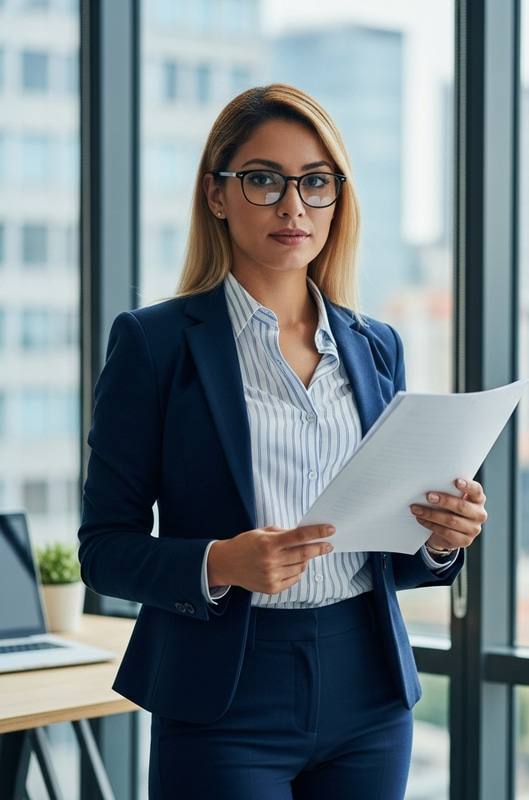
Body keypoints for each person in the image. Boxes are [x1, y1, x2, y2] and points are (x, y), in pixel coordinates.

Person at [78, 83, 486, 800]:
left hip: (369, 690)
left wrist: (439, 539)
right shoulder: (154, 344)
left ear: (337, 199)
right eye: (264, 180)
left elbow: (386, 550)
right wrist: (222, 562)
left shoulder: (376, 345)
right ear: (217, 194)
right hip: (224, 695)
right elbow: (104, 549)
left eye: (315, 182)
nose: (293, 206)